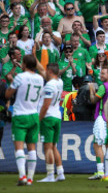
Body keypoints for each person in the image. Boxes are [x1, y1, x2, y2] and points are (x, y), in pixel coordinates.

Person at [5, 55, 43, 186]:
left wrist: (11, 81)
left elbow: (8, 94)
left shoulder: (20, 77)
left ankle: (22, 176)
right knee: (32, 148)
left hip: (20, 114)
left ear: (25, 64)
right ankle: (30, 178)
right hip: (34, 114)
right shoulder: (40, 78)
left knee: (19, 147)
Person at [37, 63, 64, 182]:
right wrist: (35, 58)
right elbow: (42, 70)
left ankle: (50, 175)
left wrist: (38, 119)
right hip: (57, 116)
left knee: (47, 147)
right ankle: (60, 172)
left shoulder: (49, 85)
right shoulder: (60, 82)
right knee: (54, 146)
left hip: (48, 117)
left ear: (50, 71)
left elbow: (45, 105)